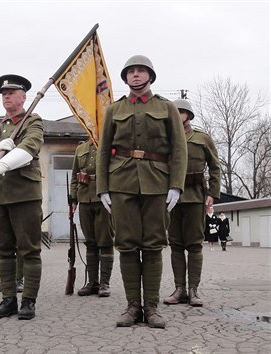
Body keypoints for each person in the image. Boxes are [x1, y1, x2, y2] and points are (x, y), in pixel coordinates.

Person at [96, 55, 187, 328]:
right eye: (131, 72)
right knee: (126, 245)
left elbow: (179, 149)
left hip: (157, 183)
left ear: (150, 76)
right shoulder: (114, 110)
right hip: (121, 183)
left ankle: (152, 308)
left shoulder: (167, 107)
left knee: (153, 245)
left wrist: (176, 185)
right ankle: (133, 306)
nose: (135, 75)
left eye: (141, 71)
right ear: (125, 78)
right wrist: (103, 188)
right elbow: (103, 151)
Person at [0, 74, 44, 320]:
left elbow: (28, 151)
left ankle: (28, 300)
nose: (6, 97)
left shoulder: (33, 122)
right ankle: (8, 299)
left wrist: (1, 166)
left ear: (23, 96)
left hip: (25, 195)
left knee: (29, 250)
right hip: (0, 195)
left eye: (11, 93)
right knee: (3, 249)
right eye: (4, 94)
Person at [163, 99, 220, 308]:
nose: (178, 115)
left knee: (195, 245)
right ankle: (180, 290)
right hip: (171, 198)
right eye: (175, 112)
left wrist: (213, 193)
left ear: (189, 115)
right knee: (176, 244)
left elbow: (215, 166)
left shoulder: (202, 138)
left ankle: (194, 290)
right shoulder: (166, 139)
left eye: (182, 112)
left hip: (195, 196)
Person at [70, 138, 114, 297]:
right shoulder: (81, 148)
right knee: (90, 242)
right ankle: (93, 282)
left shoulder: (110, 145)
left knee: (106, 241)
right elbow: (75, 176)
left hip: (104, 199)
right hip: (85, 198)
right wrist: (73, 199)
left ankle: (104, 283)